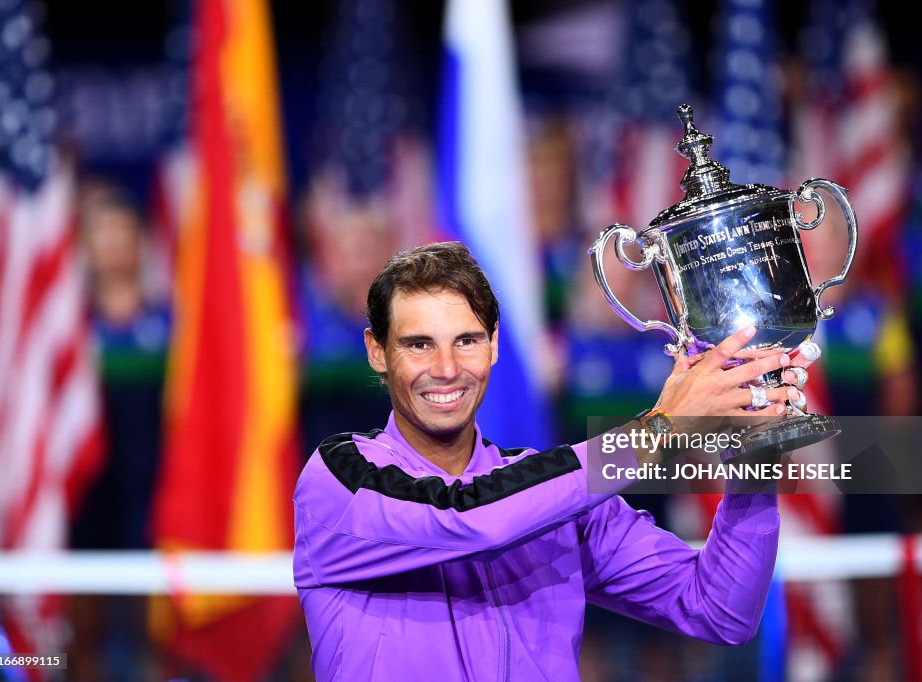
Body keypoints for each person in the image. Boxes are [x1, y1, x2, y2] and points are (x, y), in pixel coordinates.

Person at [293, 241, 814, 680]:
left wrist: (755, 454)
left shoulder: (557, 497)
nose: (446, 368)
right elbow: (467, 517)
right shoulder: (336, 478)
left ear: (495, 345)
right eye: (419, 344)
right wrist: (659, 426)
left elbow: (720, 610)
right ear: (377, 351)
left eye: (467, 341)